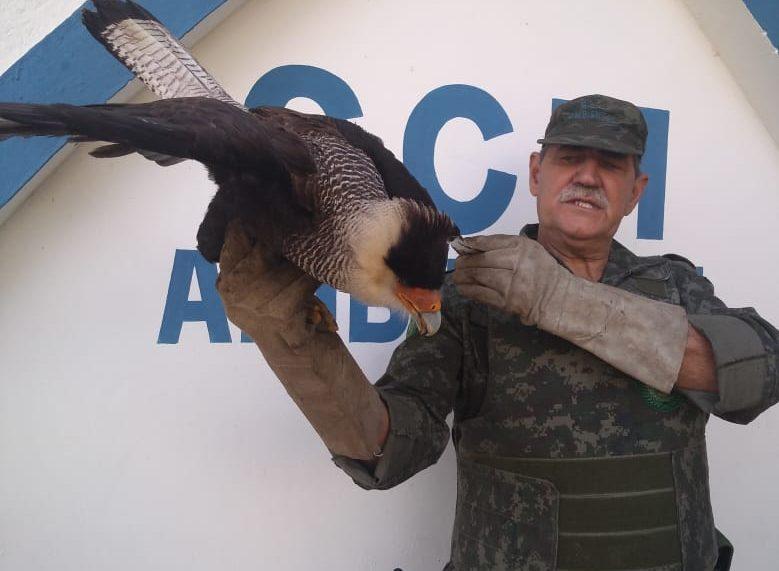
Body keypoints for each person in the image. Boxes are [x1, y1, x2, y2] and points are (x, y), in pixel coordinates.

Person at [215, 94, 778, 570]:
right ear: (537, 173)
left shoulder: (672, 286)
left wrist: (560, 300)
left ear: (636, 190)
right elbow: (391, 445)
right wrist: (291, 339)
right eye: (569, 159)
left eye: (611, 164)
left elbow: (757, 374)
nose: (587, 175)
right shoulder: (467, 295)